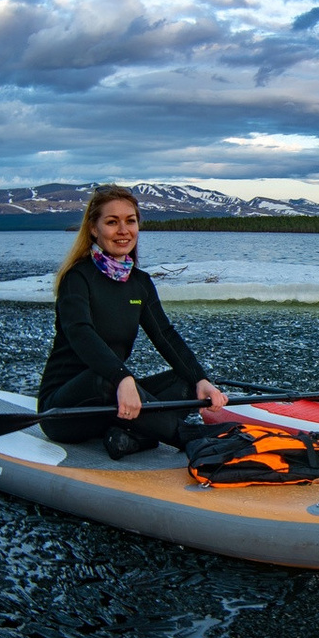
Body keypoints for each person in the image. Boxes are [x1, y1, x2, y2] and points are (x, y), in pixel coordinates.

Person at [38, 184, 227, 459]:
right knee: (104, 378)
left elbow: (165, 335)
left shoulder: (140, 284)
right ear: (94, 229)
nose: (123, 230)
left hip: (112, 402)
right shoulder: (77, 279)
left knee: (186, 382)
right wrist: (122, 378)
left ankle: (128, 436)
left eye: (130, 221)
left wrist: (202, 379)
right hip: (66, 409)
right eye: (112, 222)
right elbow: (80, 333)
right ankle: (185, 436)